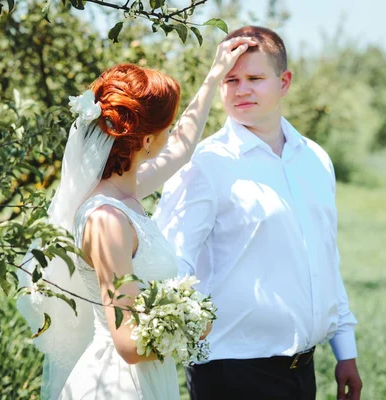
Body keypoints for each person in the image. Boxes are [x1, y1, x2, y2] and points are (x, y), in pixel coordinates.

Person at [16, 36, 257, 400]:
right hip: (117, 385)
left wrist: (215, 75)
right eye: (167, 124)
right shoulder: (105, 220)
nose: (172, 132)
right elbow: (128, 341)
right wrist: (195, 320)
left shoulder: (124, 194)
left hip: (144, 379)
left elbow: (183, 146)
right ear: (146, 141)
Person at [153, 26, 363, 400]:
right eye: (230, 79)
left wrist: (345, 350)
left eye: (254, 78)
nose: (241, 89)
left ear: (284, 82)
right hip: (231, 371)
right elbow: (172, 262)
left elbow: (325, 259)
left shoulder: (315, 158)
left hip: (303, 369)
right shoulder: (204, 164)